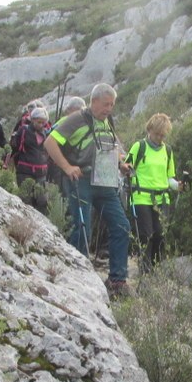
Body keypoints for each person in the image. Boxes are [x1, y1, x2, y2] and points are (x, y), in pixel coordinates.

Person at [45, 83, 132, 298]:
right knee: (82, 228)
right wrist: (66, 167)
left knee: (121, 225)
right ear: (93, 101)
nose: (109, 109)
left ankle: (117, 280)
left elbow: (110, 147)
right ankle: (78, 276)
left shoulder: (107, 121)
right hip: (80, 179)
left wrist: (121, 163)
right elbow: (49, 142)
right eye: (105, 104)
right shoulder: (76, 120)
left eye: (112, 105)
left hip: (105, 181)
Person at [125, 113, 180, 274]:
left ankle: (155, 272)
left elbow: (169, 179)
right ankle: (145, 272)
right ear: (149, 130)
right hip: (141, 198)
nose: (160, 138)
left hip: (162, 199)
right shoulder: (139, 147)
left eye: (163, 135)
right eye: (157, 134)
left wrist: (179, 186)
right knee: (146, 235)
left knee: (160, 236)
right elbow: (127, 169)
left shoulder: (167, 151)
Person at [10, 107, 51, 214]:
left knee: (42, 202)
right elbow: (16, 147)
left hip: (41, 174)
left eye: (43, 122)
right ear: (32, 120)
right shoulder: (23, 130)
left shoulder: (47, 134)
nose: (41, 125)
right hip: (25, 172)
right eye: (39, 122)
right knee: (26, 201)